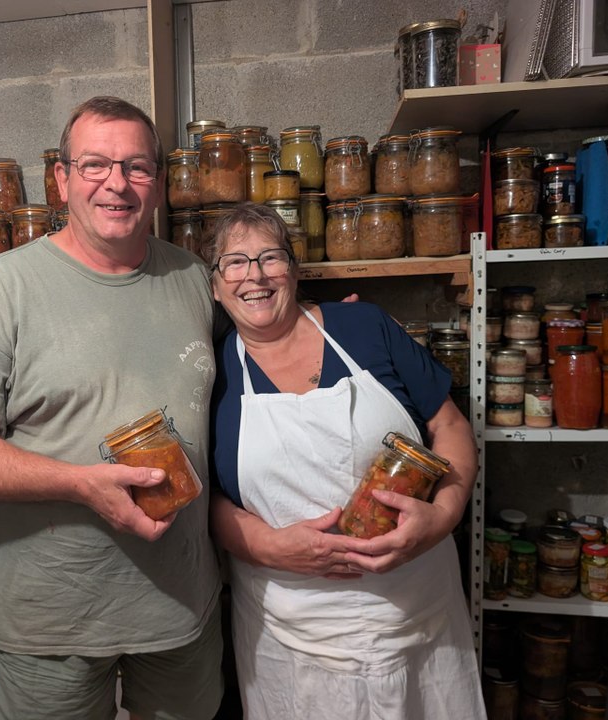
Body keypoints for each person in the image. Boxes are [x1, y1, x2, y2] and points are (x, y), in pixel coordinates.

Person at [0, 96, 223, 720]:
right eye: (95, 165)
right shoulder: (3, 286)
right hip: (53, 621)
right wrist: (80, 485)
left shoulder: (191, 278)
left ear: (157, 181)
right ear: (62, 179)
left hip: (181, 608)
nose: (117, 183)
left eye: (136, 167)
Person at [206, 202, 486, 719]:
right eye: (236, 263)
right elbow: (210, 498)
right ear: (217, 285)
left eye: (271, 257)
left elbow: (449, 427)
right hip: (290, 634)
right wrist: (269, 546)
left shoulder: (364, 326)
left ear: (294, 269)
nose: (256, 275)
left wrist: (443, 516)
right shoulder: (214, 369)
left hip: (417, 613)